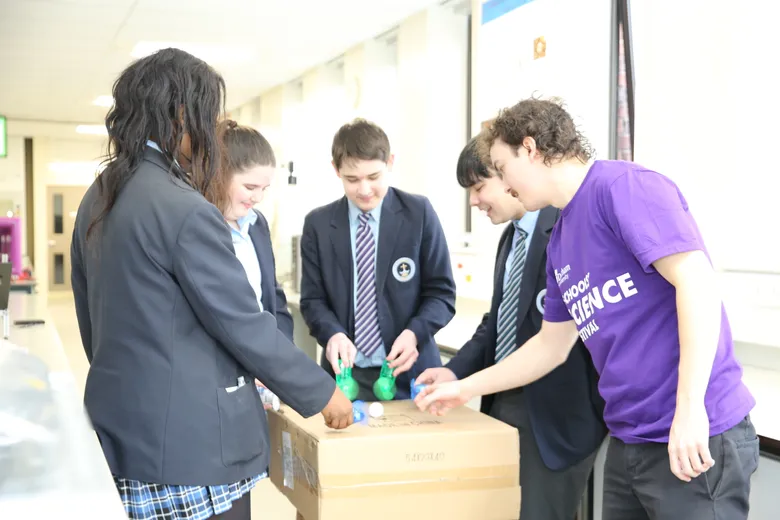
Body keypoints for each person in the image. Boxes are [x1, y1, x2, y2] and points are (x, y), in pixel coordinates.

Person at [415, 97, 758, 520]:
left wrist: (689, 410)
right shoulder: (560, 239)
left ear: (530, 149)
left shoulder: (623, 188)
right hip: (630, 439)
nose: (504, 186)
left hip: (692, 433)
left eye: (503, 170)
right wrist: (466, 388)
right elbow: (550, 347)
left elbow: (697, 282)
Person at [70, 48, 352, 520]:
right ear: (182, 114)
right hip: (190, 449)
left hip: (124, 434)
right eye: (206, 113)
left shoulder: (98, 196)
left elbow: (88, 314)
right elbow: (242, 322)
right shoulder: (182, 207)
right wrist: (322, 391)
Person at [415, 138, 606, 519]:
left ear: (507, 176)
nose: (473, 201)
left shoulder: (565, 228)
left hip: (553, 419)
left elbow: (559, 340)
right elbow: (498, 320)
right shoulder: (512, 238)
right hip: (504, 403)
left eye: (478, 187)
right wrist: (455, 370)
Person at [299, 118, 456, 400]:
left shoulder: (418, 214)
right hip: (345, 376)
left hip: (411, 373)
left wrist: (414, 334)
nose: (364, 190)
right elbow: (313, 301)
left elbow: (442, 294)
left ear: (390, 163)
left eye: (374, 177)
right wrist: (333, 334)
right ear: (336, 170)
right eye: (352, 179)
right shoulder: (318, 225)